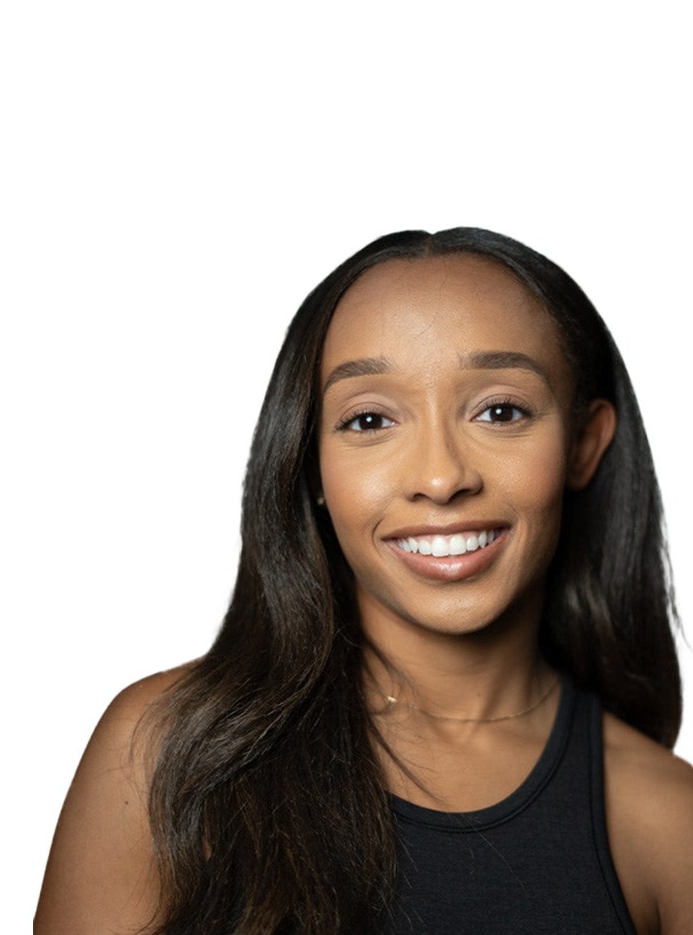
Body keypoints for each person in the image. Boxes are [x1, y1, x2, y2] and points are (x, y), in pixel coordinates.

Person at [35, 228, 693, 934]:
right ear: (310, 462)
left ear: (583, 444)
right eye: (370, 419)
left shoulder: (666, 825)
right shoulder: (168, 752)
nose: (441, 478)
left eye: (500, 411)